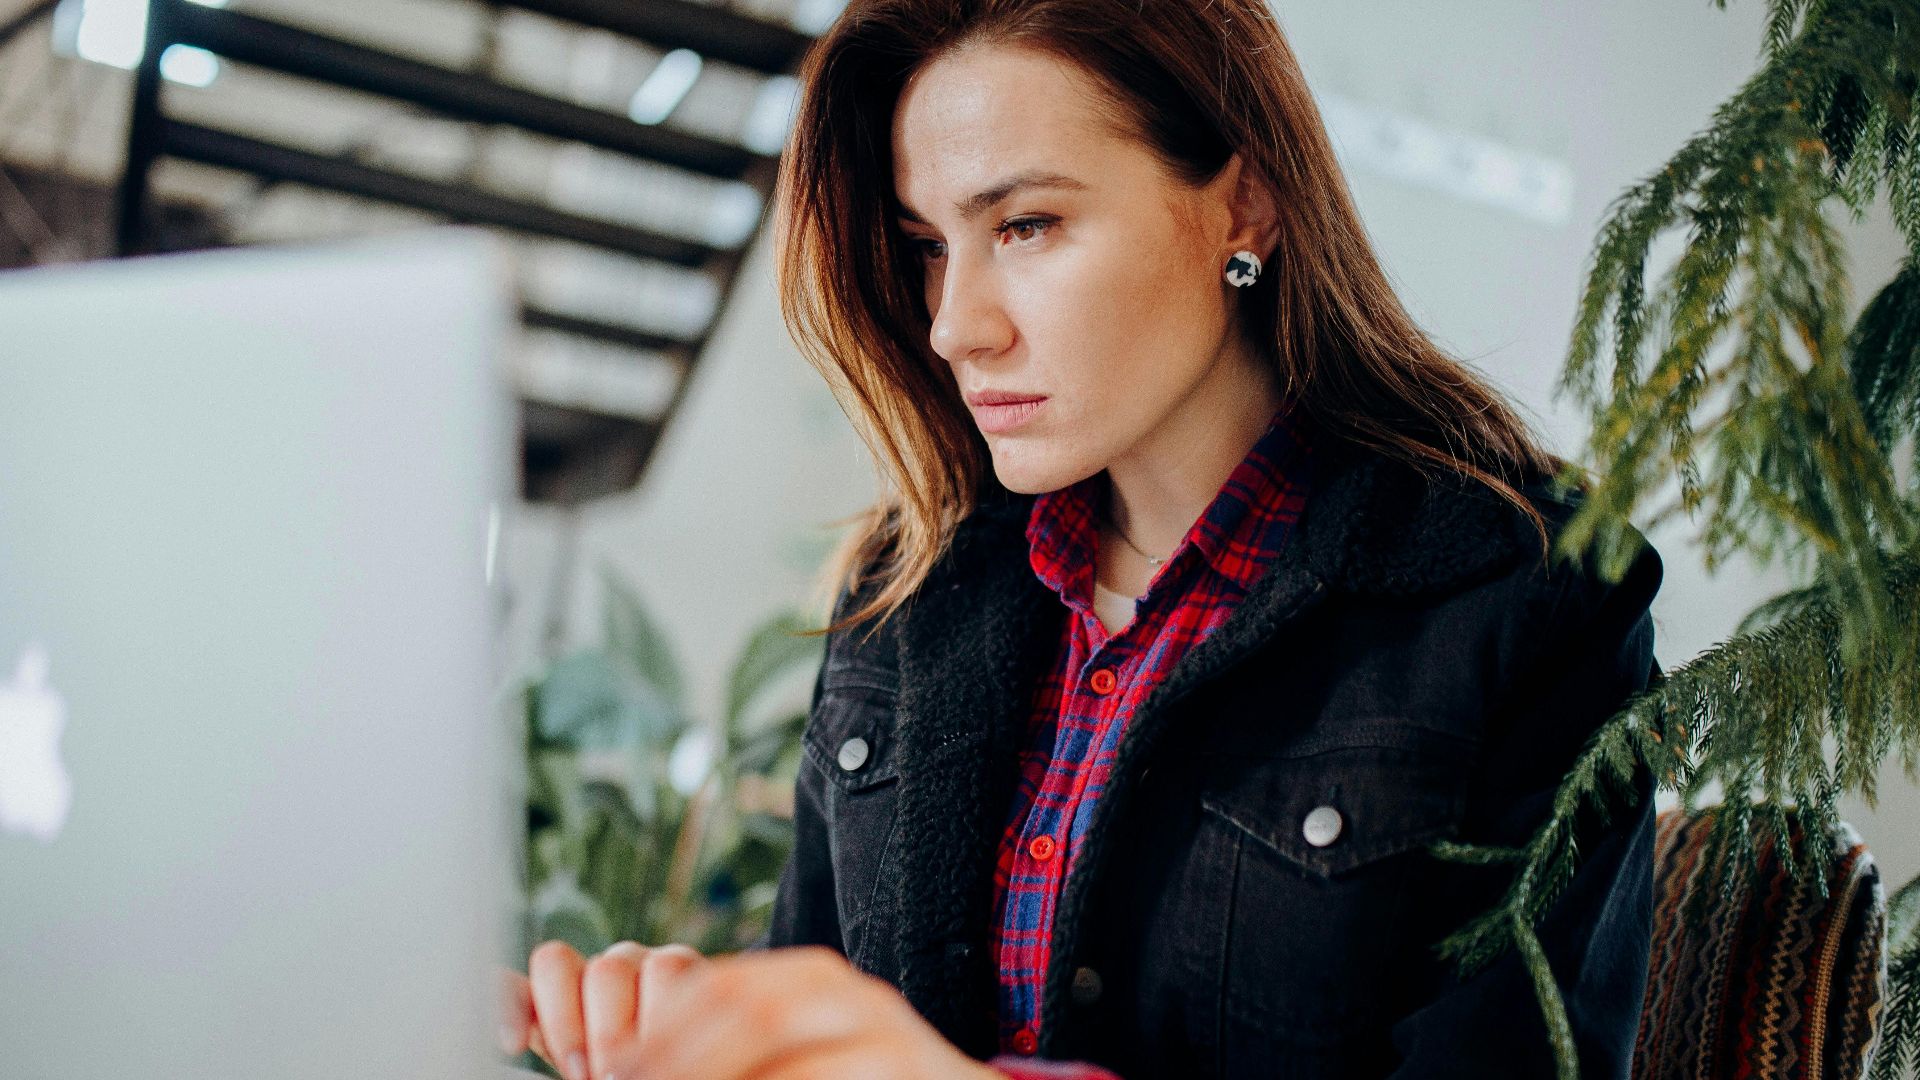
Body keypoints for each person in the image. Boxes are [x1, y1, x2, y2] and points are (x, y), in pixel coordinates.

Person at [500, 0, 1666, 1077]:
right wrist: (702, 1036)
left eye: (1026, 224)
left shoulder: (1525, 598)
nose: (958, 326)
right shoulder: (905, 591)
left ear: (1244, 204)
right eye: (928, 246)